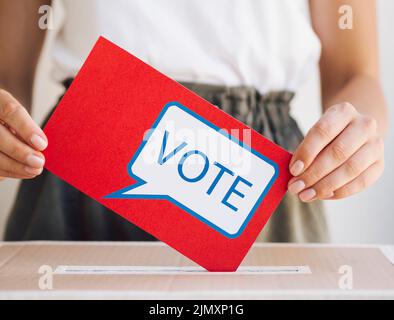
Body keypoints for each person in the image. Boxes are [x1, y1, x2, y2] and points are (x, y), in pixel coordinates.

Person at [0, 0, 387, 242]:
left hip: (256, 174)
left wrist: (359, 136)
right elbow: (8, 72)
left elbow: (355, 74)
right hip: (88, 151)